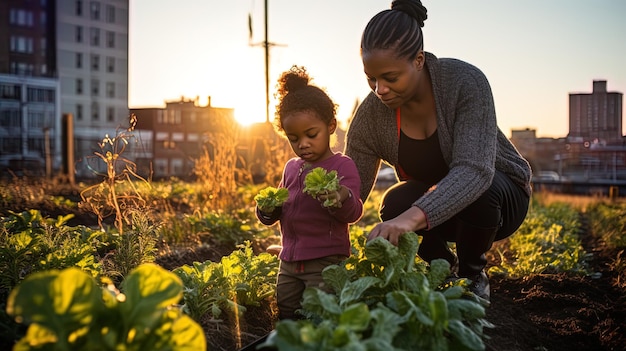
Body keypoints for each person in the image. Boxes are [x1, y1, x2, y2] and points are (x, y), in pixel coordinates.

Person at [345, 0, 532, 302]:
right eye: (371, 78)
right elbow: (349, 191)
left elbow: (475, 171)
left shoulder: (464, 82)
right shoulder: (371, 116)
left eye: (390, 78)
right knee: (394, 202)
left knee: (477, 189)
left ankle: (473, 275)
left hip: (500, 198)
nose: (379, 89)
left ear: (418, 60)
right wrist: (301, 238)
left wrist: (408, 221)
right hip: (439, 209)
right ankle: (444, 270)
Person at [256, 65, 364, 320]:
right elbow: (282, 206)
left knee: (319, 313)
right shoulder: (291, 168)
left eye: (311, 134)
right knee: (286, 309)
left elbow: (355, 211)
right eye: (294, 138)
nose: (302, 144)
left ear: (330, 127)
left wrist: (341, 197)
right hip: (290, 261)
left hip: (325, 262)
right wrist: (267, 210)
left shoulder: (342, 165)